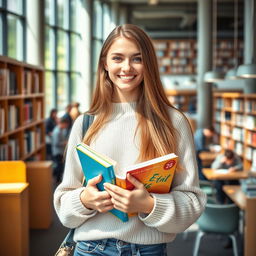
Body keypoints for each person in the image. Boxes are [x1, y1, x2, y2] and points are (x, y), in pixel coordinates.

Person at [54, 24, 206, 256]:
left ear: (149, 65)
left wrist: (148, 205)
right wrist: (85, 199)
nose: (126, 67)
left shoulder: (173, 122)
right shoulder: (85, 123)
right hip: (90, 248)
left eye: (137, 59)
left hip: (148, 250)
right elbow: (64, 207)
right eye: (118, 58)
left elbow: (192, 202)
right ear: (105, 63)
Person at [52, 117, 70, 183]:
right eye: (66, 125)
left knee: (60, 166)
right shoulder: (57, 132)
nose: (66, 126)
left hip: (60, 151)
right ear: (63, 123)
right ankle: (57, 180)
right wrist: (65, 143)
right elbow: (56, 143)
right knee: (59, 167)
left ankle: (57, 179)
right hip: (57, 152)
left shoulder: (60, 130)